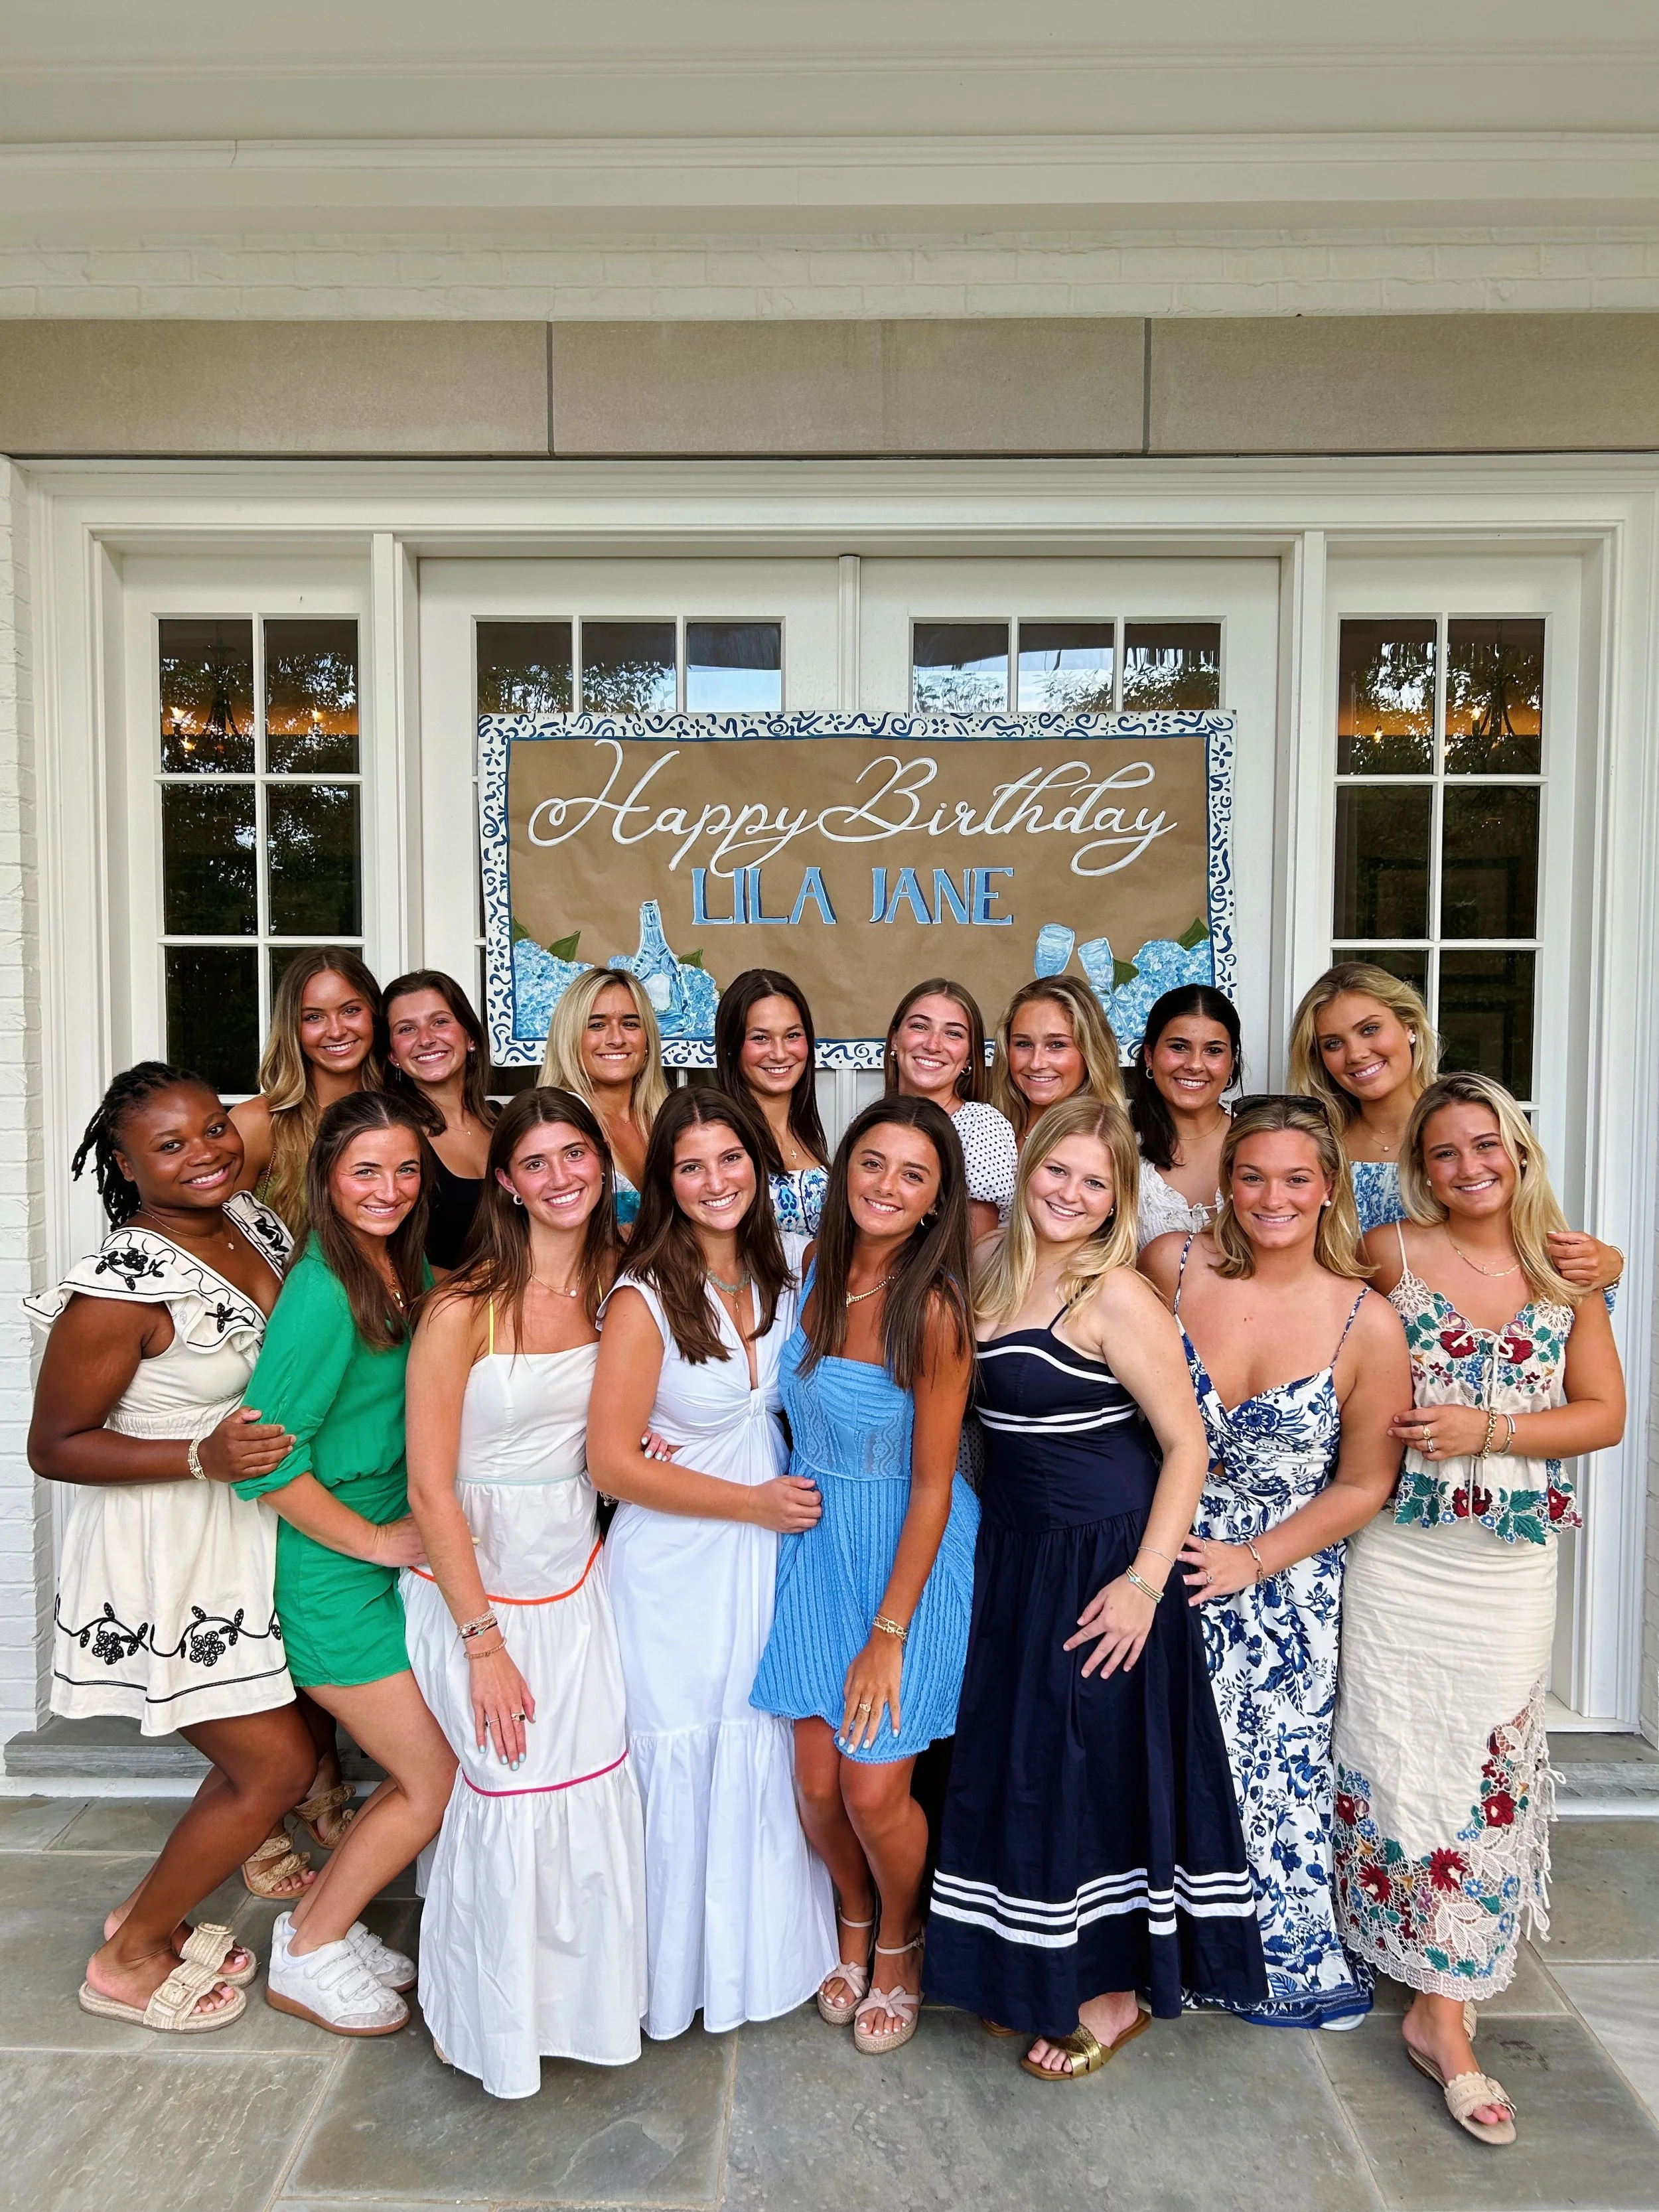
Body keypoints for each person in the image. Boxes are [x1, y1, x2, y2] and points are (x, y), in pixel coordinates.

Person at [926, 1098, 1266, 2080]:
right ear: (1025, 1169)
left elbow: (1186, 1445)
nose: (1069, 1195)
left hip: (1106, 1560)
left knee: (1098, 1766)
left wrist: (1143, 1585)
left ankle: (1116, 1993)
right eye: (1055, 1172)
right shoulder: (991, 1273)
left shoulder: (1115, 1292)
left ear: (1117, 1197)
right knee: (1027, 1762)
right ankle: (1030, 1968)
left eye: (1094, 1181)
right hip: (1017, 1554)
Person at [1333, 1072, 1625, 2147]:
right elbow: (1315, 1320)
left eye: (1486, 1145)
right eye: (1446, 1151)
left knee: (1492, 1758)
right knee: (1393, 1740)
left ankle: (1444, 2005)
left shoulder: (1567, 1266)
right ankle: (1396, 1948)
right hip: (1399, 1550)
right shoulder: (1389, 1251)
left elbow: (1605, 1414)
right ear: (1422, 1164)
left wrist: (1489, 1428)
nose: (1469, 1167)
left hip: (1502, 1564)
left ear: (1518, 1150)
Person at [26, 1063, 318, 2034]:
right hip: (168, 1549)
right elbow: (55, 1445)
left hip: (246, 1525)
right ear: (124, 1163)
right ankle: (129, 1955)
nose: (207, 1153)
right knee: (271, 1766)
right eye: (173, 1144)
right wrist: (201, 1452)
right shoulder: (119, 1284)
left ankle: (145, 1910)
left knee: (261, 1748)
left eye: (213, 1130)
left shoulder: (255, 1224)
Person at [1140, 1096, 1409, 2029]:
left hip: (1282, 1581)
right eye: (1252, 1175)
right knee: (1153, 1762)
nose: (1272, 1196)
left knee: (1269, 1773)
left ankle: (1269, 1952)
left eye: (1297, 1178)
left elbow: (1365, 1481)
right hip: (1152, 1561)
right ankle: (1148, 1952)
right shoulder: (1167, 1267)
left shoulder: (1365, 1321)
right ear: (1226, 1181)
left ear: (1329, 1186)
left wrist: (1252, 1561)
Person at [403, 1088, 646, 2094]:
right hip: (473, 1579)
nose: (561, 1177)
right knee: (508, 1785)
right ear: (505, 1180)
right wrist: (482, 1640)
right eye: (536, 1161)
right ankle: (496, 2026)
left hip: (573, 1570)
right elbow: (427, 1483)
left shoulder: (620, 1286)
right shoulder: (463, 1305)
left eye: (575, 1154)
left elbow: (630, 1414)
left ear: (602, 1164)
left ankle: (585, 2009)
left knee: (587, 1781)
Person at [587, 1088, 835, 2040]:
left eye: (729, 1159)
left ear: (758, 1168)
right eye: (690, 1166)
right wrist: (750, 1504)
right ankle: (670, 1975)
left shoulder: (793, 1271)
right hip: (676, 1564)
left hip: (775, 1552)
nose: (715, 1181)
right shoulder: (644, 1293)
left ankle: (764, 1963)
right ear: (665, 1183)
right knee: (683, 1739)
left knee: (761, 1742)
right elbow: (611, 1461)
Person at [751, 1095, 979, 2056]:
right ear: (846, 1173)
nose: (887, 1185)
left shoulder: (933, 1309)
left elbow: (934, 1483)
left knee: (875, 1789)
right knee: (813, 1788)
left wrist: (889, 1635)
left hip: (906, 1553)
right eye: (872, 1164)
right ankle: (852, 1914)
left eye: (912, 1174)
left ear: (936, 1201)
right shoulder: (816, 1267)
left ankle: (900, 1941)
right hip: (816, 1547)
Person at [236, 1092, 457, 2037]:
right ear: (327, 1176)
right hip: (332, 1573)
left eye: (406, 1170)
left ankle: (321, 1919)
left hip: (380, 1563)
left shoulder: (391, 1266)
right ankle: (310, 1946)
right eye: (366, 1170)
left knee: (420, 1773)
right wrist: (375, 1540)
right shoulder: (323, 1289)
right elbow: (266, 1460)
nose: (390, 1189)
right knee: (431, 1777)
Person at [1287, 963, 1622, 1297]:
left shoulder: (1472, 1123)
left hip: (1461, 1336)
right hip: (1343, 1339)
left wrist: (1609, 1264)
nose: (1357, 1053)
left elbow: (1533, 1237)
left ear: (1409, 1027)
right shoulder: (1315, 1146)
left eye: (1370, 1029)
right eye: (1333, 1044)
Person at [231, 946, 385, 1242]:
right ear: (293, 1028)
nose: (337, 1031)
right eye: (314, 1017)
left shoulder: (399, 1116)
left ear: (374, 1015)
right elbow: (214, 1239)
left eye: (351, 1010)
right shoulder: (258, 1122)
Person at [884, 978, 1017, 1240]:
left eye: (953, 1033)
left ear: (968, 1057)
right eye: (920, 1027)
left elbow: (973, 1256)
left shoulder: (981, 1126)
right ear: (895, 1040)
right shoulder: (869, 1122)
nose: (933, 1045)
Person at [384, 969, 498, 1272]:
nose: (426, 1039)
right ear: (393, 1056)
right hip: (445, 1312)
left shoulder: (504, 1122)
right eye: (406, 1029)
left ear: (470, 1037)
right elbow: (386, 1259)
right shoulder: (392, 1134)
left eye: (440, 1022)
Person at [541, 968, 667, 1230]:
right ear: (570, 1037)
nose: (617, 1039)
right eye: (597, 1025)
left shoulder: (664, 1116)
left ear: (647, 1040)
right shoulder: (554, 1123)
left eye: (630, 1023)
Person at [713, 968, 831, 1236]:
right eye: (760, 1038)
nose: (780, 1054)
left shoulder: (807, 1131)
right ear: (732, 1046)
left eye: (792, 1036)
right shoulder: (721, 1134)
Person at [1129, 986, 1242, 1248]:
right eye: (1179, 1047)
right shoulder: (1116, 1143)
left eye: (1213, 1050)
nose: (1194, 1065)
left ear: (1231, 1064)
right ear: (1149, 1056)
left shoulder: (1262, 1136)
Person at [987, 975, 1125, 1143]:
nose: (1036, 1063)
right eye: (1024, 1044)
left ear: (1091, 1053)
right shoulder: (992, 1129)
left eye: (1057, 1045)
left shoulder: (1096, 1142)